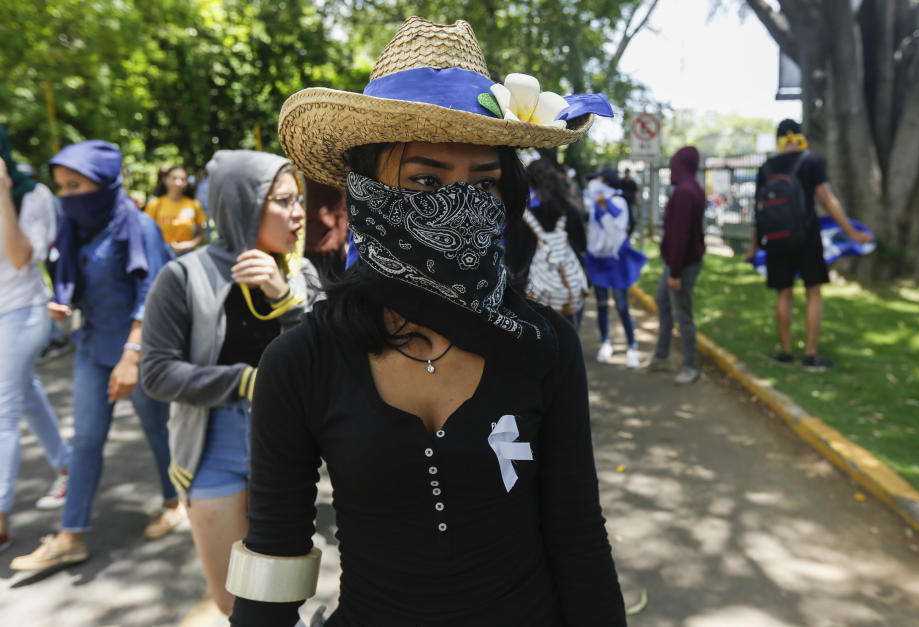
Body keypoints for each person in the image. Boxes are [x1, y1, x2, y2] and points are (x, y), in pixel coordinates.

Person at [225, 16, 624, 626]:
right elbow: (274, 558)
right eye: (426, 180)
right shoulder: (302, 362)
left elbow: (576, 535)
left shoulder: (546, 345)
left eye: (483, 181)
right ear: (368, 189)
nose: (459, 202)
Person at [140, 150, 322, 616]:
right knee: (233, 601)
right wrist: (244, 381)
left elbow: (325, 366)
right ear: (242, 205)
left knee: (285, 593)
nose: (299, 212)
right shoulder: (181, 276)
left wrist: (286, 301)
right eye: (284, 201)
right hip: (211, 443)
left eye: (297, 199)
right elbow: (157, 373)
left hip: (284, 446)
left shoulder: (301, 274)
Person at [11, 140, 179, 571]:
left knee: (157, 430)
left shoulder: (138, 226)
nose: (66, 197)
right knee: (85, 441)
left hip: (136, 350)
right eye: (61, 187)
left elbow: (152, 293)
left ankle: (174, 501)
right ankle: (71, 535)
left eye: (75, 185)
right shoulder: (75, 229)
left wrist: (132, 356)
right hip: (92, 347)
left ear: (104, 183)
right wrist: (66, 303)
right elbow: (80, 282)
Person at [746, 119, 873, 371]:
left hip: (775, 241)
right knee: (813, 292)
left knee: (783, 293)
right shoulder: (811, 160)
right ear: (800, 138)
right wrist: (851, 232)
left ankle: (785, 353)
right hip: (806, 238)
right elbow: (826, 198)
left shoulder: (766, 168)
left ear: (779, 139)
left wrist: (754, 247)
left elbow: (757, 213)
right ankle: (810, 355)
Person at [0, 125, 73, 553]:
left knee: (4, 412)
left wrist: (2, 193)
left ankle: (2, 520)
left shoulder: (35, 196)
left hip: (24, 312)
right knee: (24, 395)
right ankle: (68, 467)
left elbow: (21, 257)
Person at [504, 158, 588, 329]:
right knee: (569, 347)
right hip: (570, 291)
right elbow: (582, 246)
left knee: (539, 350)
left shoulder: (520, 215)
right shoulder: (569, 211)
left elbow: (512, 260)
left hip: (531, 297)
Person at [651, 146, 706, 384]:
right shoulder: (691, 188)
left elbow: (681, 236)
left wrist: (674, 272)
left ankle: (690, 366)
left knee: (682, 313)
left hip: (682, 265)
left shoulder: (685, 192)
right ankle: (661, 356)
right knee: (662, 302)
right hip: (676, 262)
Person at [585, 169, 646, 369]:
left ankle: (631, 345)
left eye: (597, 179)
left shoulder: (618, 202)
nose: (593, 183)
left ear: (607, 183)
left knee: (621, 306)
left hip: (616, 258)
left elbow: (616, 232)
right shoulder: (593, 202)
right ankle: (606, 342)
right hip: (597, 258)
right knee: (602, 303)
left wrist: (604, 208)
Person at [144, 165, 207, 255]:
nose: (178, 183)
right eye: (174, 178)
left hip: (187, 253)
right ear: (165, 180)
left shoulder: (194, 204)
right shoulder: (155, 204)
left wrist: (190, 244)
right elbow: (147, 232)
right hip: (161, 252)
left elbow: (201, 234)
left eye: (183, 179)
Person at [619, 167, 639, 234]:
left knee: (633, 220)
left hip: (631, 203)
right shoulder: (621, 182)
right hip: (623, 204)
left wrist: (637, 204)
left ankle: (628, 234)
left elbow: (635, 194)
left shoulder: (632, 183)